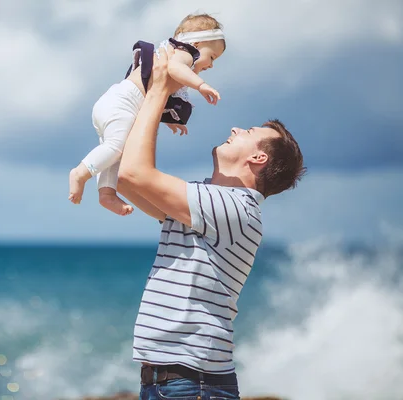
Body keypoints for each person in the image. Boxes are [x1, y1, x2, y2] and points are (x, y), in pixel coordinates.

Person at [117, 45, 306, 400]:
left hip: (191, 384)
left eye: (248, 131)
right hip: (176, 382)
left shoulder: (236, 207)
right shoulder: (208, 201)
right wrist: (140, 100)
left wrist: (160, 89)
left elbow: (133, 172)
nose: (235, 128)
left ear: (258, 157)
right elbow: (127, 181)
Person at [68, 13, 226, 216]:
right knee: (115, 148)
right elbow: (174, 69)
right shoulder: (184, 54)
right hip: (123, 102)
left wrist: (170, 121)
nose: (211, 65)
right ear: (196, 43)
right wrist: (201, 85)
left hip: (117, 104)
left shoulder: (174, 53)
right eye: (212, 56)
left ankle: (106, 194)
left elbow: (159, 93)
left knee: (115, 153)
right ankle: (80, 173)